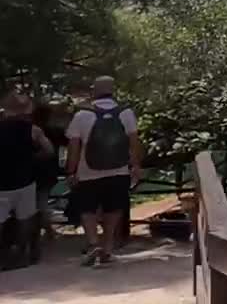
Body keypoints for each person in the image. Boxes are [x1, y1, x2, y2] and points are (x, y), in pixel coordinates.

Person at [66, 76, 141, 268]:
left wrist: (71, 171)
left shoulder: (82, 115)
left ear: (94, 91)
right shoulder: (126, 113)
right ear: (113, 90)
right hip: (119, 171)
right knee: (114, 208)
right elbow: (133, 144)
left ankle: (93, 243)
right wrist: (136, 167)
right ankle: (107, 246)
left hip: (88, 172)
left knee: (87, 208)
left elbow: (74, 147)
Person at [0, 91, 54, 270]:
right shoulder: (33, 129)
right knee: (26, 218)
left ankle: (3, 255)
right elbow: (49, 151)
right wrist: (32, 157)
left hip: (2, 182)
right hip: (25, 180)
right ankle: (23, 253)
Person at [31, 102, 65, 244]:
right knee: (42, 203)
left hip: (29, 172)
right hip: (48, 172)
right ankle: (46, 231)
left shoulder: (30, 130)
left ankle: (40, 232)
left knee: (34, 205)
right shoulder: (54, 131)